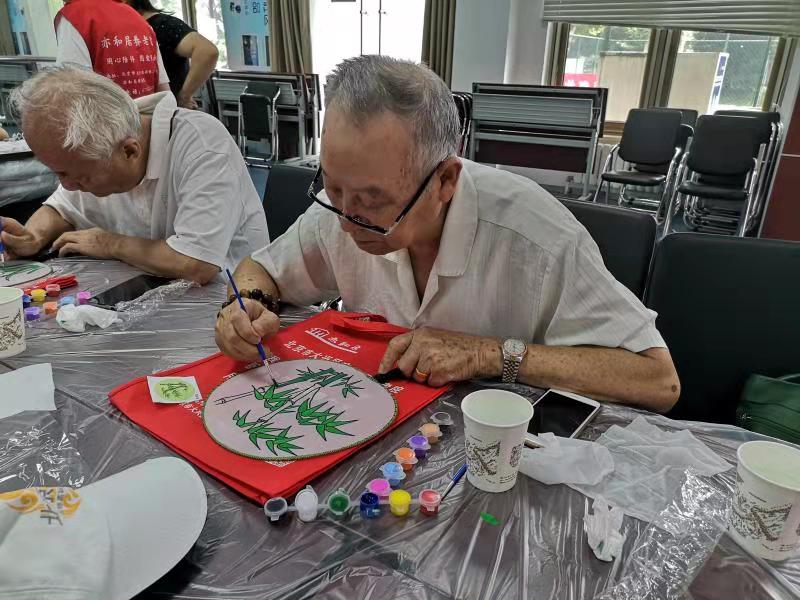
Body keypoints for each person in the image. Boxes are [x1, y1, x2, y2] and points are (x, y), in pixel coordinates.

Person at [214, 55, 680, 413]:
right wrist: (247, 303)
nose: (346, 220)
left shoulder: (536, 237)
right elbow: (262, 269)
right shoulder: (344, 206)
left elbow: (658, 380)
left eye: (373, 200)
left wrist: (488, 355)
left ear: (445, 181)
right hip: (376, 422)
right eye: (332, 187)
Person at [0, 66, 269, 284]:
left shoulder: (202, 146)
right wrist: (33, 236)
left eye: (80, 178)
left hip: (229, 299)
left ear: (129, 151)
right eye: (59, 173)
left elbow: (197, 264)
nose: (68, 185)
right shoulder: (94, 149)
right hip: (147, 286)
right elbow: (61, 208)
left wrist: (109, 243)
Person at [55, 0, 171, 99]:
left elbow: (71, 91)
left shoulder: (75, 16)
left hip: (106, 117)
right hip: (151, 116)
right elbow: (164, 91)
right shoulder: (138, 19)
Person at [122, 0, 219, 109]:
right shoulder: (123, 27)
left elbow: (207, 51)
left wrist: (184, 97)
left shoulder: (163, 25)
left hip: (167, 110)